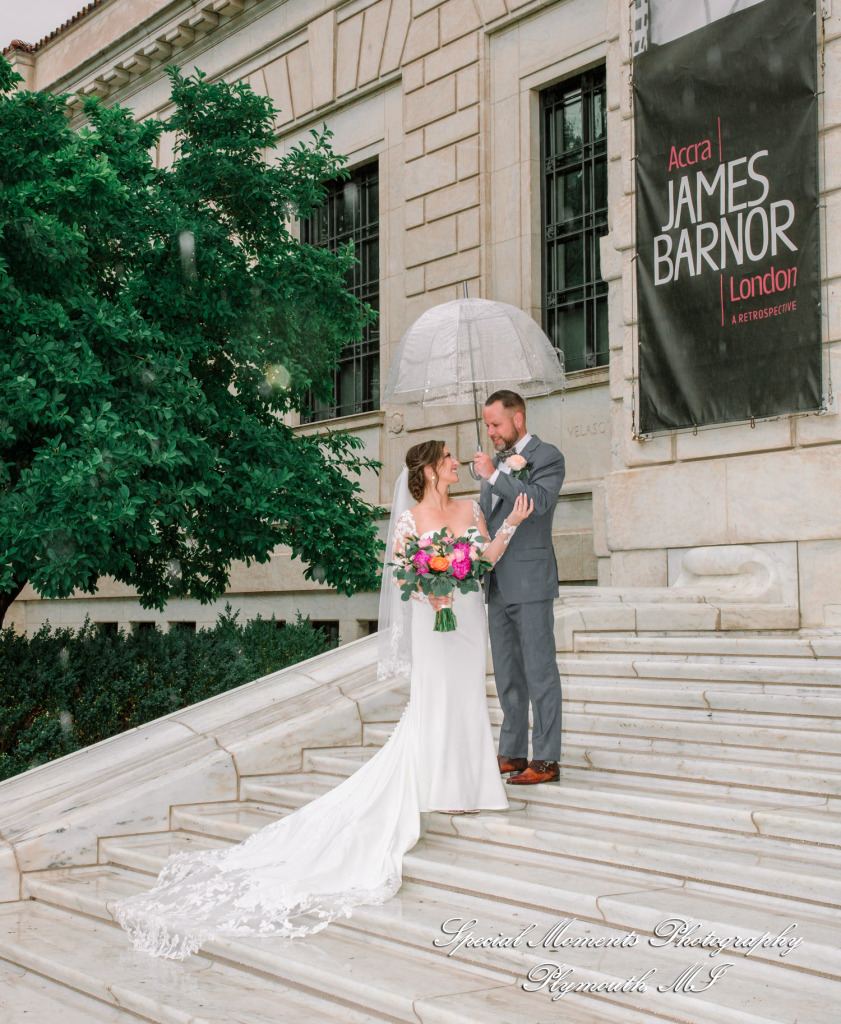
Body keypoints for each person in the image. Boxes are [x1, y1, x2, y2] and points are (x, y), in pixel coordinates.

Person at [114, 439, 532, 959]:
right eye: (447, 458)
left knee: (469, 695)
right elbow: (408, 572)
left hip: (467, 615)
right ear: (427, 469)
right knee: (437, 695)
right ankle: (439, 784)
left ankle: (473, 785)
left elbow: (485, 556)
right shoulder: (410, 520)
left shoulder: (471, 508)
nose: (456, 463)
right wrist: (432, 591)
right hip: (435, 618)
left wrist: (510, 523)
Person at [474, 389, 566, 786]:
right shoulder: (493, 465)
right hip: (496, 583)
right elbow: (493, 521)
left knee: (540, 669)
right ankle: (512, 751)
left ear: (518, 419)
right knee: (509, 673)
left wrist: (496, 477)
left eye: (496, 424)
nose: (492, 432)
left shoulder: (548, 457)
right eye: (488, 425)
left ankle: (546, 759)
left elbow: (539, 501)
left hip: (530, 582)